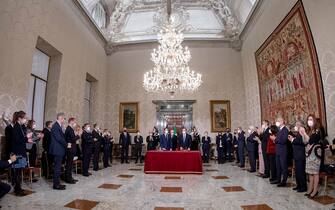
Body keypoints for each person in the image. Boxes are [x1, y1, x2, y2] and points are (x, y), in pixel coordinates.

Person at [301, 114, 322, 198]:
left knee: (315, 172)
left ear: (314, 120)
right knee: (310, 172)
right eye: (308, 119)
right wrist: (303, 134)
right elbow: (305, 142)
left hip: (315, 153)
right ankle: (310, 189)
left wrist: (304, 134)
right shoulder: (309, 131)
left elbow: (311, 140)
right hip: (309, 153)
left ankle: (315, 190)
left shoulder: (317, 130)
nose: (309, 121)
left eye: (311, 119)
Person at [11, 111, 32, 196]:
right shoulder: (16, 127)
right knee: (17, 171)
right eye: (24, 118)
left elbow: (21, 139)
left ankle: (18, 188)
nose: (25, 120)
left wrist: (27, 140)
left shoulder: (20, 126)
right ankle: (17, 189)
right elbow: (17, 140)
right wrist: (26, 137)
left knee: (19, 171)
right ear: (19, 118)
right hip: (16, 152)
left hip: (20, 151)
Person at [288, 121, 307, 193]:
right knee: (297, 172)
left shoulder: (302, 131)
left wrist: (292, 140)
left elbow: (302, 142)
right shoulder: (298, 132)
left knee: (301, 172)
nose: (296, 125)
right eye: (296, 124)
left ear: (301, 125)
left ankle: (303, 187)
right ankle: (298, 185)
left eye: (297, 124)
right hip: (296, 155)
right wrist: (293, 139)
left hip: (300, 155)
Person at [49, 112, 67, 190]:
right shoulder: (55, 126)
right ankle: (56, 185)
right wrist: (67, 144)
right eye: (64, 118)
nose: (64, 120)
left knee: (58, 167)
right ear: (60, 118)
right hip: (57, 150)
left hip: (59, 149)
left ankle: (58, 183)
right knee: (57, 167)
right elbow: (59, 138)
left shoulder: (59, 126)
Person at [273, 116, 289, 187]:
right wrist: (275, 139)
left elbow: (284, 140)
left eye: (278, 121)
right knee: (278, 166)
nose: (277, 122)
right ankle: (278, 179)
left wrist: (275, 139)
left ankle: (284, 181)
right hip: (278, 150)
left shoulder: (285, 130)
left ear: (282, 121)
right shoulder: (279, 130)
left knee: (283, 167)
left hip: (283, 151)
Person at [64, 117, 80, 184]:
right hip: (70, 149)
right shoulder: (69, 129)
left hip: (71, 149)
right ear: (71, 121)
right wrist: (78, 135)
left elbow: (72, 138)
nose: (75, 123)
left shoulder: (70, 129)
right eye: (74, 122)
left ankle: (70, 177)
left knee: (70, 165)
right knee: (69, 165)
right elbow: (73, 139)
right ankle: (68, 179)